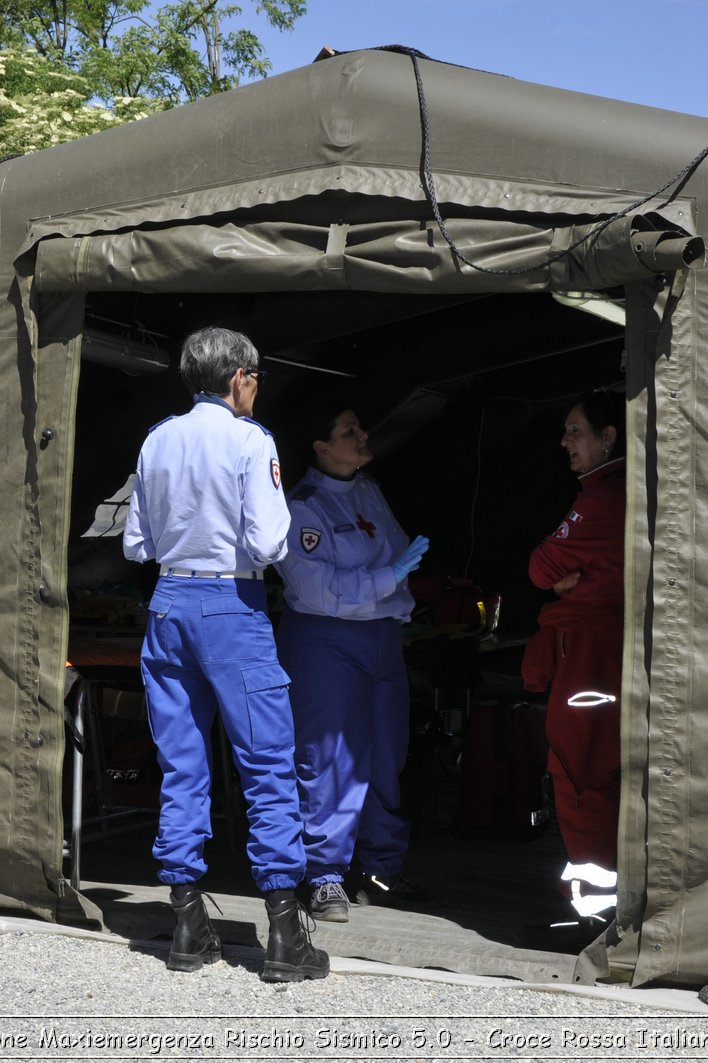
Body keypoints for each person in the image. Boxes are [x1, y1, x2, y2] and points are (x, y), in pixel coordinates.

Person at [122, 326, 328, 983]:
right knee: (267, 762)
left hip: (167, 604)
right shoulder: (250, 440)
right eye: (257, 377)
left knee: (181, 764)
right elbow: (270, 541)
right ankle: (285, 933)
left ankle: (187, 919)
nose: (257, 388)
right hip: (230, 608)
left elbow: (135, 542)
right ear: (239, 376)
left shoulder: (156, 438)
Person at [274, 406, 431, 923]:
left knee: (387, 757)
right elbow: (321, 591)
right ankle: (323, 876)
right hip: (325, 641)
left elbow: (394, 557)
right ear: (320, 447)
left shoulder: (368, 489)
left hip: (382, 638)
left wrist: (390, 585)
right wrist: (387, 579)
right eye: (348, 431)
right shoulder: (300, 508)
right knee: (330, 759)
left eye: (359, 428)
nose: (363, 436)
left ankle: (380, 868)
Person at [521, 391, 626, 942]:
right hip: (596, 654)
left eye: (576, 430)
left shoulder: (604, 498)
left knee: (582, 775)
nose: (565, 442)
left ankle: (593, 918)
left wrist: (562, 581)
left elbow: (541, 567)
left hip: (591, 661)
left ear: (609, 437)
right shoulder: (608, 492)